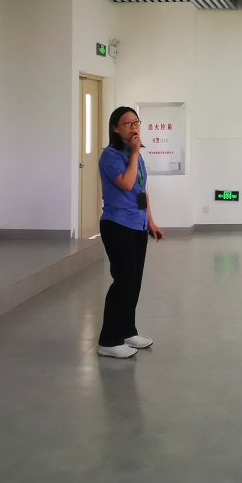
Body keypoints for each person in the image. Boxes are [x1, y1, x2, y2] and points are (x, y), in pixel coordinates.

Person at [96, 106, 164, 359]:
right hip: (117, 224)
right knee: (123, 281)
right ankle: (108, 340)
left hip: (138, 224)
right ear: (115, 128)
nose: (134, 127)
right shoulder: (111, 155)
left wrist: (151, 222)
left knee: (134, 281)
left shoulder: (134, 154)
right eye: (127, 123)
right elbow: (126, 183)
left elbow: (141, 191)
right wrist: (134, 153)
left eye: (136, 122)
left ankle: (127, 331)